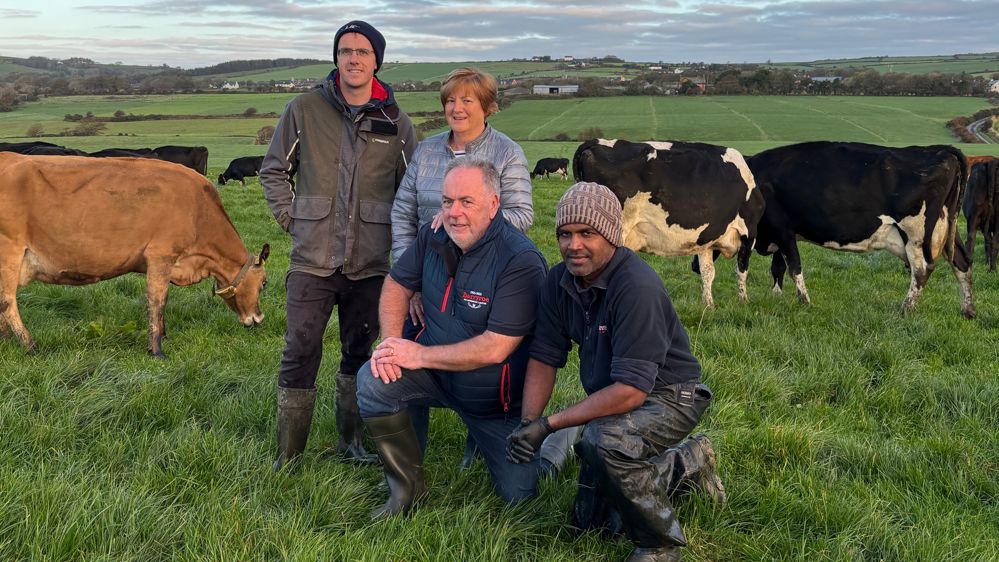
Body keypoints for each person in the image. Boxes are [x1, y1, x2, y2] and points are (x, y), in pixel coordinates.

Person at [506, 182, 727, 562]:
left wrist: (551, 425)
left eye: (586, 233)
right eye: (565, 234)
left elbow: (631, 393)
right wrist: (530, 423)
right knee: (589, 525)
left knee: (604, 441)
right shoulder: (559, 282)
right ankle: (689, 461)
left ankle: (659, 544)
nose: (574, 245)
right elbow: (544, 357)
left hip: (671, 396)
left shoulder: (636, 286)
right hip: (616, 393)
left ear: (610, 234)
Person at [260, 20, 416, 470]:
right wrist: (293, 218)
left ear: (376, 61)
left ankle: (351, 445)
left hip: (369, 262)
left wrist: (399, 244)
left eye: (362, 52)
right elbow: (273, 170)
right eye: (345, 50)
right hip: (312, 259)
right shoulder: (304, 109)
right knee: (300, 350)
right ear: (336, 58)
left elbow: (412, 191)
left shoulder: (396, 122)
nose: (353, 58)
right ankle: (289, 456)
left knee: (360, 354)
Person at [356, 158, 547, 518]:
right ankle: (406, 491)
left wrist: (418, 356)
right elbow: (397, 283)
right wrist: (392, 345)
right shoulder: (434, 235)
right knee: (374, 378)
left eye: (466, 202)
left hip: (492, 400)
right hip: (437, 377)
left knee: (520, 499)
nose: (454, 213)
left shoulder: (520, 261)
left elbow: (496, 347)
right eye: (447, 202)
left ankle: (555, 442)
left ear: (494, 205)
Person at [389, 67, 539, 469]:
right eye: (450, 101)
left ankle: (481, 443)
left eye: (467, 100)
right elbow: (404, 210)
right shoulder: (427, 151)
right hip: (429, 276)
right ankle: (408, 455)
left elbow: (522, 214)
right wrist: (413, 279)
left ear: (488, 107)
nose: (456, 108)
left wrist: (464, 219)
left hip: (486, 279)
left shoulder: (506, 152)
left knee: (482, 365)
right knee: (405, 355)